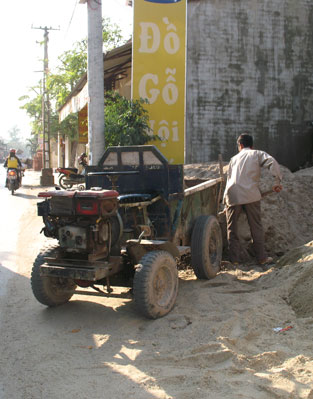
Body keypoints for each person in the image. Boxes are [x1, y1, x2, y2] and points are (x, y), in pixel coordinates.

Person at [223, 134, 283, 267]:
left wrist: (224, 202)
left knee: (232, 229)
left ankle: (234, 260)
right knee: (256, 227)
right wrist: (277, 181)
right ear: (252, 145)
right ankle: (261, 258)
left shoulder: (233, 159)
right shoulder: (257, 153)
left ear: (240, 145)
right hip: (251, 195)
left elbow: (228, 179)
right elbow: (272, 162)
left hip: (232, 195)